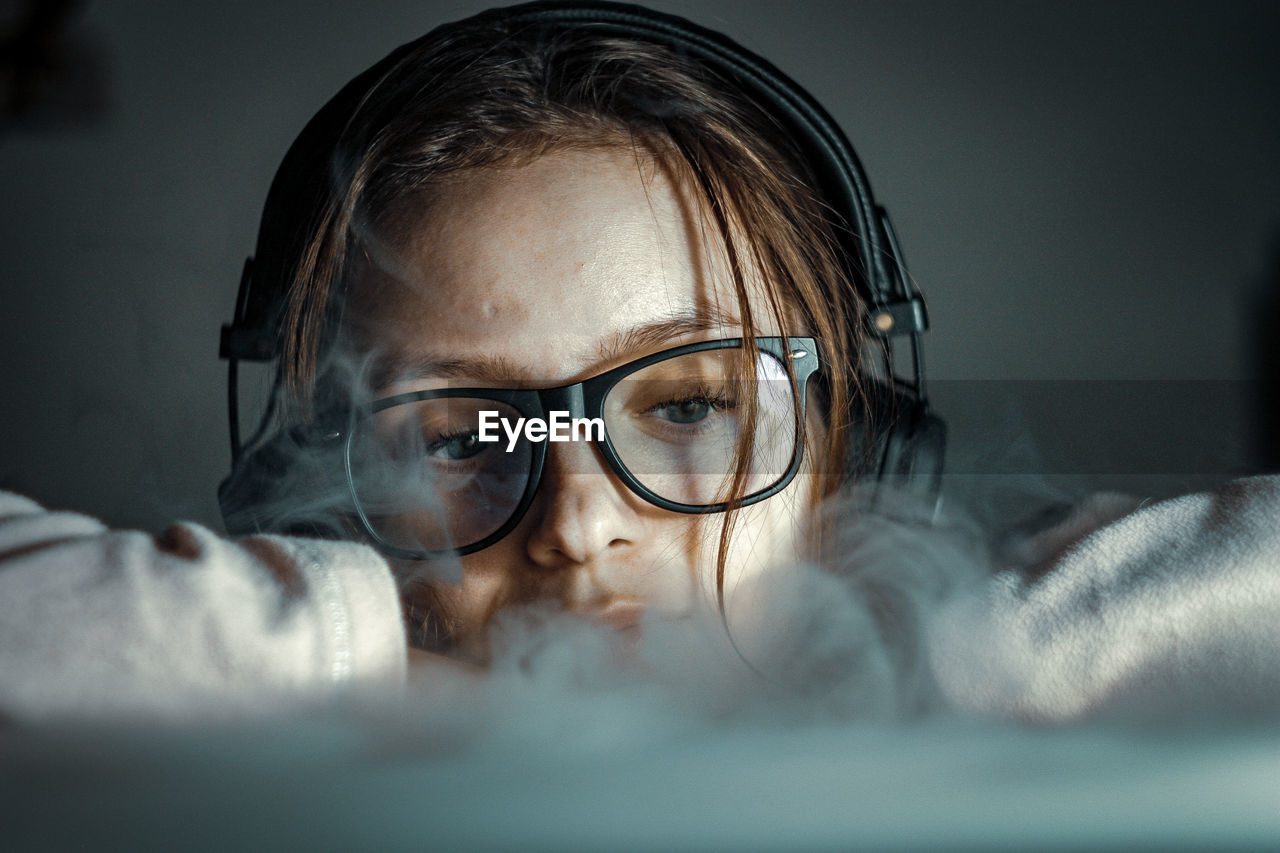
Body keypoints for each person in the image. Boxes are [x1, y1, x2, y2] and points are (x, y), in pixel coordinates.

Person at [2, 1, 1278, 723]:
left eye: (683, 403)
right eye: (461, 434)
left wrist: (971, 640)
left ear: (851, 442)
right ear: (322, 493)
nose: (576, 525)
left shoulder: (951, 695)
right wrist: (351, 647)